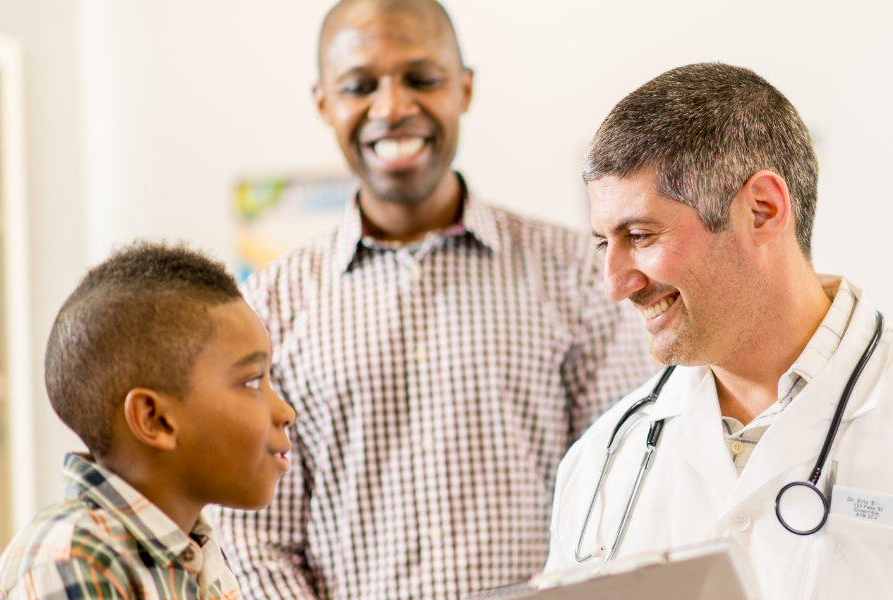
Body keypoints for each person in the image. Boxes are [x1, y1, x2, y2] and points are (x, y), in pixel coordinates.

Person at [542, 63, 893, 599]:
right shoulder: (601, 460)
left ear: (762, 210)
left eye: (640, 236)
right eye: (603, 243)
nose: (614, 283)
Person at [214, 1, 657, 598]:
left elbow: (622, 498)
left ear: (464, 88)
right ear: (324, 102)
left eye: (421, 79)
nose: (393, 107)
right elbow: (253, 537)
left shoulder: (577, 272)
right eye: (359, 85)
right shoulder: (268, 306)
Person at [0, 241, 296, 599]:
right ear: (155, 420)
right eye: (251, 382)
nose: (285, 411)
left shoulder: (198, 551)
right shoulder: (71, 556)